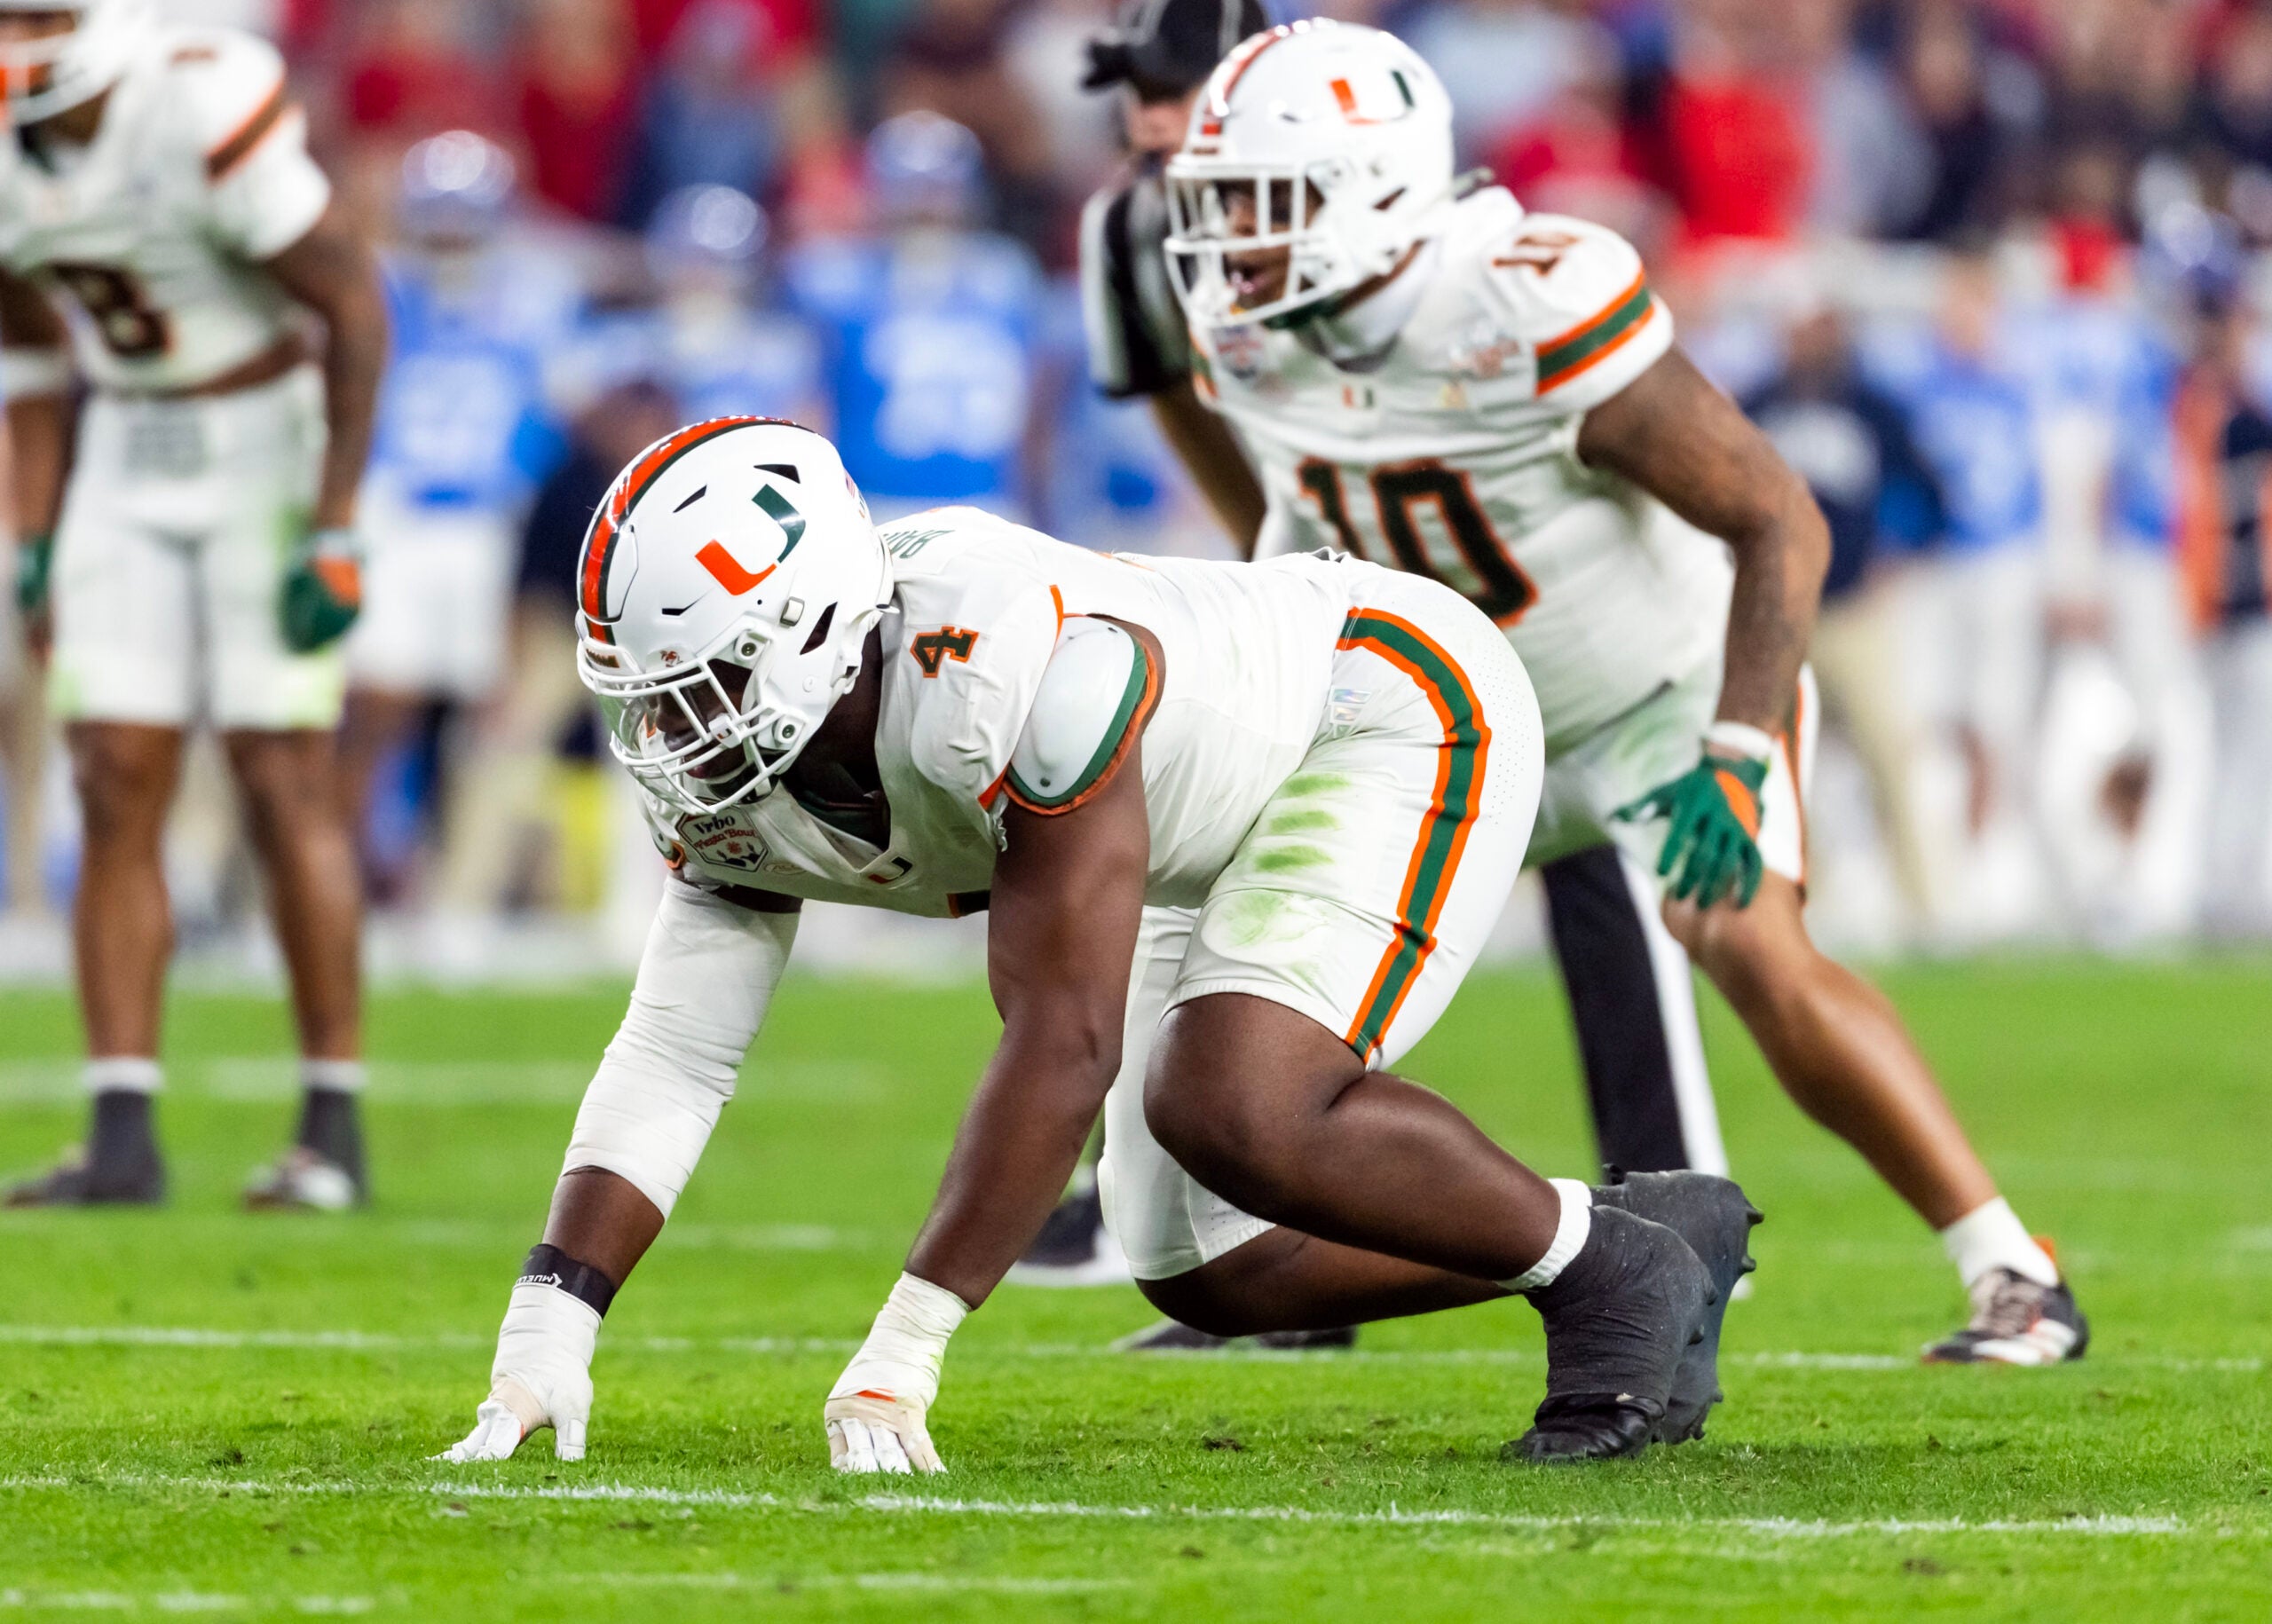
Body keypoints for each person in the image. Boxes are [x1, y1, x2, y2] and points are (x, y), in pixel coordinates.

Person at [438, 416, 1760, 1470]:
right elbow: (676, 1048)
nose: (677, 738)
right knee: (1213, 1269)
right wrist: (550, 1327)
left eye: (707, 688)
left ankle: (1613, 1283)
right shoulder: (748, 776)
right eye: (655, 704)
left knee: (1234, 1098)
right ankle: (1628, 1233)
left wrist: (905, 1347)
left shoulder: (1008, 659)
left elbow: (1066, 1039)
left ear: (817, 629)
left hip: (1379, 705)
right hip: (1193, 816)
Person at [1163, 20, 2084, 1364]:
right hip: (1462, 729)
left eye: (1269, 199)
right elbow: (1290, 503)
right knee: (1272, 949)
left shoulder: (1525, 296)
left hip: (1658, 690)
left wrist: (1735, 743)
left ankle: (2012, 1266)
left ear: (1373, 187)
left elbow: (1779, 515)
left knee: (1748, 941)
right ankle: (1300, 1280)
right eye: (1224, 200)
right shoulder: (1246, 331)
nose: (1235, 235)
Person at [1034, 0, 1732, 1321]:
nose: (1161, 141)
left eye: (1184, 98)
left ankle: (1658, 1203)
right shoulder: (1149, 234)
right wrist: (1272, 578)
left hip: (1522, 630)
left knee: (1576, 882)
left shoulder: (1461, 268)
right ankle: (1210, 1188)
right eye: (1142, 106)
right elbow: (1202, 416)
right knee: (1244, 892)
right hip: (1326, 577)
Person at [0, 0, 389, 1210]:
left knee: (282, 773)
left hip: (264, 433)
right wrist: (35, 537)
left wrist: (332, 519)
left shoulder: (199, 94)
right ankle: (121, 1131)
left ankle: (333, 1123)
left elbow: (355, 306)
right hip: (121, 439)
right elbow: (28, 356)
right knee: (112, 771)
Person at [338, 131, 566, 903]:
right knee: (378, 699)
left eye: (464, 220)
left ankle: (453, 889)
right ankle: (345, 869)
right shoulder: (381, 292)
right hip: (396, 513)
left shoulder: (532, 303)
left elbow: (553, 416)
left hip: (488, 519)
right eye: (438, 219)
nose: (450, 236)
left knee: (486, 713)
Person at [1743, 300, 1948, 934]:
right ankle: (1802, 901)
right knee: (1780, 764)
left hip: (1852, 610)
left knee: (1886, 751)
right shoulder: (1756, 406)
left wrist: (1898, 556)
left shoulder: (1871, 408)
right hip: (1778, 613)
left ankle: (1926, 906)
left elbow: (1934, 496)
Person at [783, 112, 1041, 521]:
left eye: (936, 192)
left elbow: (1035, 408)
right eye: (912, 191)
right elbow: (811, 406)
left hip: (989, 504)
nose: (924, 206)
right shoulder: (835, 277)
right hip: (877, 504)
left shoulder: (1005, 274)